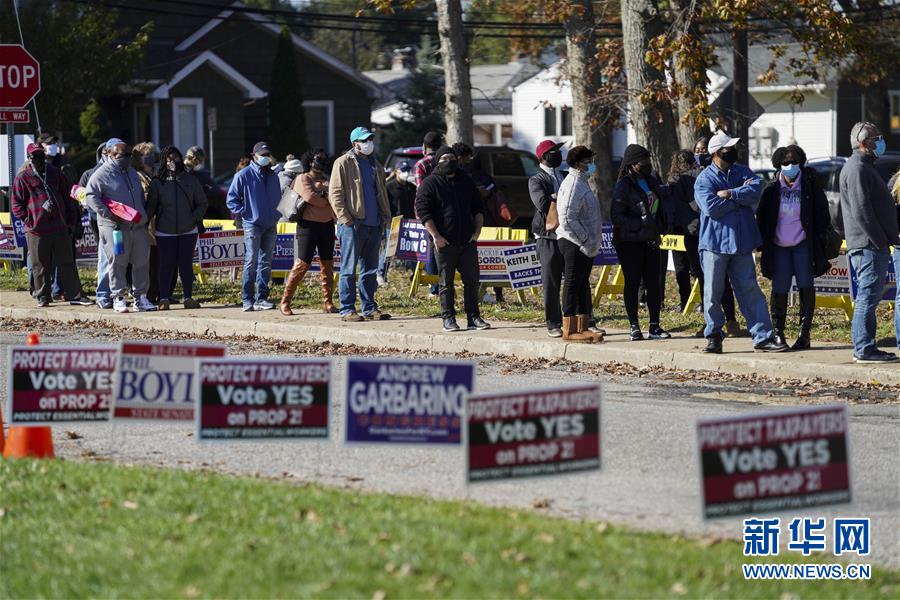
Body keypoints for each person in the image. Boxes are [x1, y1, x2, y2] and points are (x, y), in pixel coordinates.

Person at [694, 132, 785, 353]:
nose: (733, 152)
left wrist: (731, 194)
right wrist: (739, 202)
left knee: (750, 291)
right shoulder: (704, 179)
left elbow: (756, 189)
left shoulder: (742, 171)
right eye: (728, 149)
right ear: (716, 153)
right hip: (714, 245)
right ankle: (714, 335)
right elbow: (711, 208)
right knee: (713, 293)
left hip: (742, 243)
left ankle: (763, 337)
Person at [757, 145, 831, 350]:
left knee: (806, 286)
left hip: (803, 245)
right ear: (778, 165)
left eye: (794, 161)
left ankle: (804, 333)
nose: (790, 166)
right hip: (779, 246)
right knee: (779, 288)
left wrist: (821, 239)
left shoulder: (810, 185)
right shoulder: (771, 188)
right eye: (785, 163)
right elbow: (762, 218)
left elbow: (822, 215)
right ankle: (778, 332)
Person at [836, 122, 898, 362]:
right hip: (868, 245)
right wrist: (881, 240)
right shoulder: (857, 169)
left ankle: (868, 347)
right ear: (864, 143)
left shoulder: (864, 166)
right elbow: (862, 211)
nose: (881, 141)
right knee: (867, 297)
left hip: (873, 244)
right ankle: (863, 348)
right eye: (877, 138)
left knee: (869, 296)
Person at [667, 150, 744, 337]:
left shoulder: (684, 180)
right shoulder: (708, 176)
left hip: (698, 236)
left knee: (707, 280)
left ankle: (713, 323)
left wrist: (693, 228)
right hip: (712, 231)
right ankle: (730, 321)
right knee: (721, 279)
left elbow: (681, 209)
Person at [415, 146, 491, 332]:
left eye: (451, 157)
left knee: (472, 282)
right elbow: (424, 213)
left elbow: (478, 208)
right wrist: (436, 236)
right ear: (437, 161)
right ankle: (448, 318)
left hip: (467, 241)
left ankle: (474, 318)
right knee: (445, 283)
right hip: (444, 243)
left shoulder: (466, 181)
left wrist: (477, 233)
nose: (448, 161)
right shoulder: (429, 183)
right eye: (444, 158)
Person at [12, 143, 92, 307]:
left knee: (67, 262)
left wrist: (70, 221)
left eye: (41, 155)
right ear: (29, 158)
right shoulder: (23, 177)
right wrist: (29, 221)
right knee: (39, 264)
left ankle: (75, 295)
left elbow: (67, 197)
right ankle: (43, 295)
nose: (39, 159)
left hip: (59, 226)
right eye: (35, 156)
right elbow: (16, 205)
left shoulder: (55, 173)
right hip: (37, 230)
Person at [84, 139, 157, 313]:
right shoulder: (101, 174)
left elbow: (139, 196)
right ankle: (118, 297)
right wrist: (107, 213)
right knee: (117, 263)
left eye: (129, 155)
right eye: (122, 155)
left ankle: (140, 298)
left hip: (137, 227)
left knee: (141, 262)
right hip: (115, 228)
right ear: (111, 154)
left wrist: (142, 215)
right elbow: (90, 195)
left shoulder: (131, 172)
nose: (127, 158)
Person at [329, 126, 392, 322]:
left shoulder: (376, 164)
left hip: (374, 224)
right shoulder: (342, 163)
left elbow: (381, 192)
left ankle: (369, 307)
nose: (368, 143)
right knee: (348, 269)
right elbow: (335, 194)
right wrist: (346, 218)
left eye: (370, 139)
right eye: (364, 140)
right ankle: (347, 309)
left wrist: (384, 217)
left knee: (370, 270)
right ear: (354, 143)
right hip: (352, 226)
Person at [611, 144, 670, 341]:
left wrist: (660, 226)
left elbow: (659, 207)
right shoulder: (623, 185)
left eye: (648, 161)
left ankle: (654, 325)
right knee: (633, 283)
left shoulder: (651, 181)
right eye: (643, 163)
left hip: (651, 240)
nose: (647, 165)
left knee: (654, 284)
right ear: (632, 164)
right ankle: (634, 326)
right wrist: (642, 224)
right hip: (629, 241)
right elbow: (617, 217)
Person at [146, 146, 207, 311]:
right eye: (169, 159)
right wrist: (141, 221)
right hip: (165, 231)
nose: (173, 162)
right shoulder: (158, 183)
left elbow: (202, 203)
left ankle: (188, 297)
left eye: (176, 158)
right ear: (164, 162)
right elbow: (151, 207)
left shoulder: (191, 180)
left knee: (186, 265)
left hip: (189, 230)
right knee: (166, 265)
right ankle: (163, 298)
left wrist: (194, 218)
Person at [556, 145, 604, 343]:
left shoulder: (582, 182)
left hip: (584, 244)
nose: (591, 165)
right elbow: (567, 217)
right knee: (572, 284)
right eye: (587, 162)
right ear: (577, 164)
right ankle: (569, 329)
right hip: (573, 242)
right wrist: (585, 239)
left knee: (582, 284)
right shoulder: (573, 184)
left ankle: (582, 326)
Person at [280, 149, 337, 315]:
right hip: (308, 226)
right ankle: (285, 302)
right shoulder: (302, 177)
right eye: (317, 159)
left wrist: (324, 195)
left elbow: (333, 197)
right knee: (302, 263)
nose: (320, 163)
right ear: (309, 161)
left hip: (327, 225)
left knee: (327, 264)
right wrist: (326, 197)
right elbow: (310, 197)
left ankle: (328, 302)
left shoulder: (327, 179)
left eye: (323, 160)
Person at [226, 142, 282, 311]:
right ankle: (247, 299)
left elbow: (278, 197)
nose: (265, 157)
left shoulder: (273, 176)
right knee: (251, 261)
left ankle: (262, 298)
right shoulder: (243, 175)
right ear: (254, 156)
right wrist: (245, 213)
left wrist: (276, 214)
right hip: (252, 224)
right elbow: (231, 199)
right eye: (262, 154)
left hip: (270, 224)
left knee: (266, 262)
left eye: (267, 154)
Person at [529, 139, 566, 337]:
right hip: (548, 236)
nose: (558, 154)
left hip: (569, 235)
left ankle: (580, 318)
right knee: (551, 281)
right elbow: (542, 203)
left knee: (576, 280)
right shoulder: (536, 179)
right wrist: (557, 197)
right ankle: (553, 322)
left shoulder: (565, 174)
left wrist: (555, 195)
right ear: (544, 156)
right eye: (553, 152)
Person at [132, 142, 164, 303]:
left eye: (152, 153)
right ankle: (149, 295)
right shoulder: (136, 176)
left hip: (162, 225)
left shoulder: (157, 174)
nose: (151, 157)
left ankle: (162, 292)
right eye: (147, 154)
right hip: (147, 226)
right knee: (149, 263)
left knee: (160, 262)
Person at [413, 131, 443, 297]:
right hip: (444, 211)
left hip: (426, 212)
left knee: (430, 250)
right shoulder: (444, 161)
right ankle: (444, 283)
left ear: (424, 146)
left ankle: (434, 288)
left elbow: (421, 191)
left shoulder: (421, 164)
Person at [378, 160, 414, 286]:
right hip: (394, 222)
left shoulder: (411, 187)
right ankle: (381, 274)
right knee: (390, 249)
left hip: (410, 223)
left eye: (408, 170)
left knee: (412, 249)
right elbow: (384, 205)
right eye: (403, 170)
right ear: (397, 172)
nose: (407, 173)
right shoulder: (389, 187)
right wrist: (387, 219)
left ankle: (414, 275)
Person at [185, 146, 227, 219]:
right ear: (194, 159)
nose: (199, 164)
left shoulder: (176, 171)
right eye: (200, 161)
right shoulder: (198, 176)